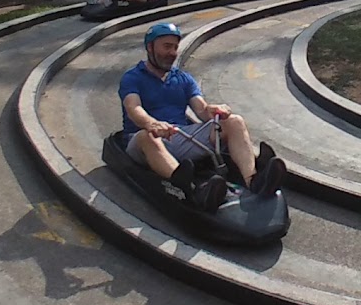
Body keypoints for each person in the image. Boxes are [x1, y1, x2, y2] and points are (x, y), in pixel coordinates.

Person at [118, 19, 282, 207]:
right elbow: (133, 108)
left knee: (234, 121)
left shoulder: (183, 79)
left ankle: (253, 179)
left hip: (179, 135)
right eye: (166, 47)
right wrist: (151, 123)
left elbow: (202, 110)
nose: (172, 53)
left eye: (175, 47)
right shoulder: (133, 77)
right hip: (143, 141)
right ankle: (192, 190)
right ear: (150, 47)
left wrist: (213, 110)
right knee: (148, 137)